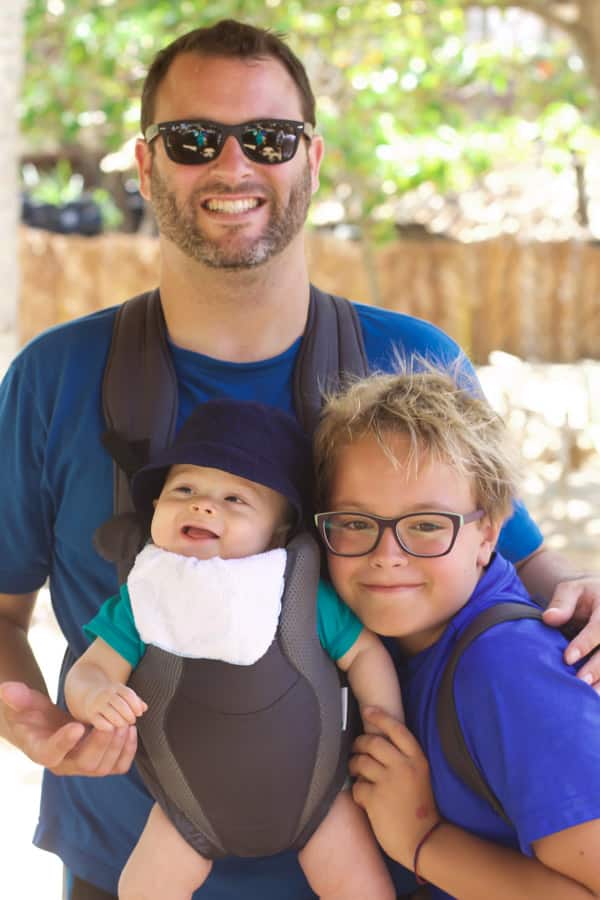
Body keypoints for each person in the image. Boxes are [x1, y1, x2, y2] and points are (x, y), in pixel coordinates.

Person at [0, 17, 598, 900]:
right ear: (144, 162)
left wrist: (584, 605)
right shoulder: (55, 375)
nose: (232, 166)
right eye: (193, 138)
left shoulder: (413, 360)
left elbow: (514, 571)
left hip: (371, 864)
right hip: (131, 864)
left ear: (311, 157)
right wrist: (35, 723)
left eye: (268, 139)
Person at [65, 398, 402, 900]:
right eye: (184, 489)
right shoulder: (146, 598)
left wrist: (385, 727)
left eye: (235, 500)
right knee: (140, 888)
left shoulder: (298, 591)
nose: (203, 505)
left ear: (279, 531)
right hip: (188, 809)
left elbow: (364, 653)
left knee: (362, 889)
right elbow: (89, 669)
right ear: (156, 506)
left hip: (318, 800)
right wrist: (93, 697)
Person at [312, 366, 600, 899]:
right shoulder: (394, 648)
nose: (386, 556)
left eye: (425, 525)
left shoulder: (508, 669)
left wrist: (422, 839)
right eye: (354, 523)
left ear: (488, 532)